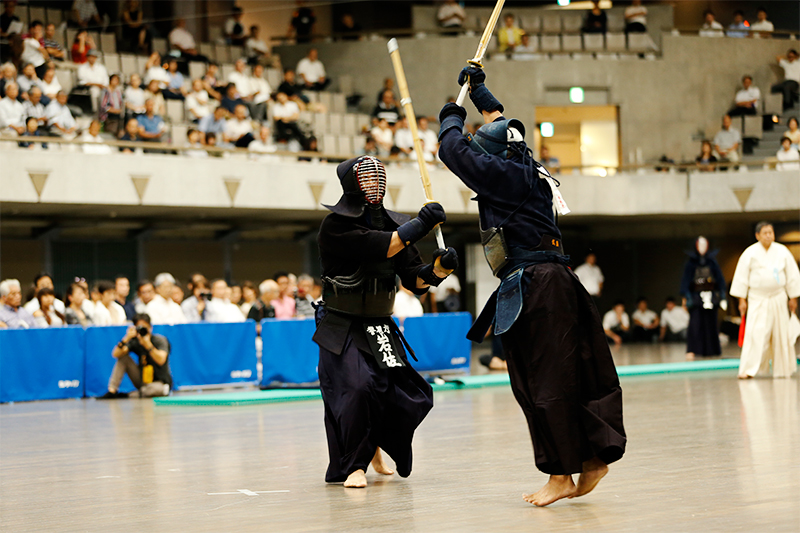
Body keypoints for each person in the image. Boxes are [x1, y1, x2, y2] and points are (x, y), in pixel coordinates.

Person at [437, 66, 625, 506]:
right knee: (565, 374)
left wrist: (451, 111)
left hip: (536, 286)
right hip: (555, 283)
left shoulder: (505, 175)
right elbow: (500, 126)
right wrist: (479, 90)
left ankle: (562, 474)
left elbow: (452, 149)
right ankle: (589, 459)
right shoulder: (528, 167)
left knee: (541, 383)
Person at [314, 155, 456, 488]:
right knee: (356, 390)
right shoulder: (335, 226)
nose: (375, 183)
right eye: (366, 178)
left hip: (380, 323)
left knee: (408, 393)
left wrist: (438, 270)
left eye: (379, 177)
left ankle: (378, 443)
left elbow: (414, 280)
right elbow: (380, 246)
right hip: (343, 323)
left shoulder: (396, 225)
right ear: (351, 184)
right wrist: (420, 225)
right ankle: (353, 466)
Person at [730, 222, 800, 379]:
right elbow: (742, 278)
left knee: (781, 334)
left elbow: (792, 276)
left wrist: (793, 297)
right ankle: (748, 369)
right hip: (757, 298)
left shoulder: (782, 251)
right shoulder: (750, 253)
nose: (769, 235)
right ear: (757, 235)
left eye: (771, 232)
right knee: (755, 333)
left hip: (778, 297)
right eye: (765, 232)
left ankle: (782, 370)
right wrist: (742, 300)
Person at [99, 313, 173, 399]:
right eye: (139, 328)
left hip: (160, 383)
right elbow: (115, 354)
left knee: (155, 389)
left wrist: (148, 345)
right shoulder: (136, 341)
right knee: (123, 358)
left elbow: (161, 360)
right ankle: (112, 391)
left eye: (144, 328)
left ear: (150, 327)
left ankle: (129, 395)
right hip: (143, 381)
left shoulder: (159, 340)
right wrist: (126, 338)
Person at [680, 236, 727, 359]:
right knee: (695, 324)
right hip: (695, 297)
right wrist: (686, 296)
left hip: (711, 296)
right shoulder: (690, 263)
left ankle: (712, 350)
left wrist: (722, 295)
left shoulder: (712, 262)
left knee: (711, 323)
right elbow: (686, 281)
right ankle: (693, 349)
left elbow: (720, 280)